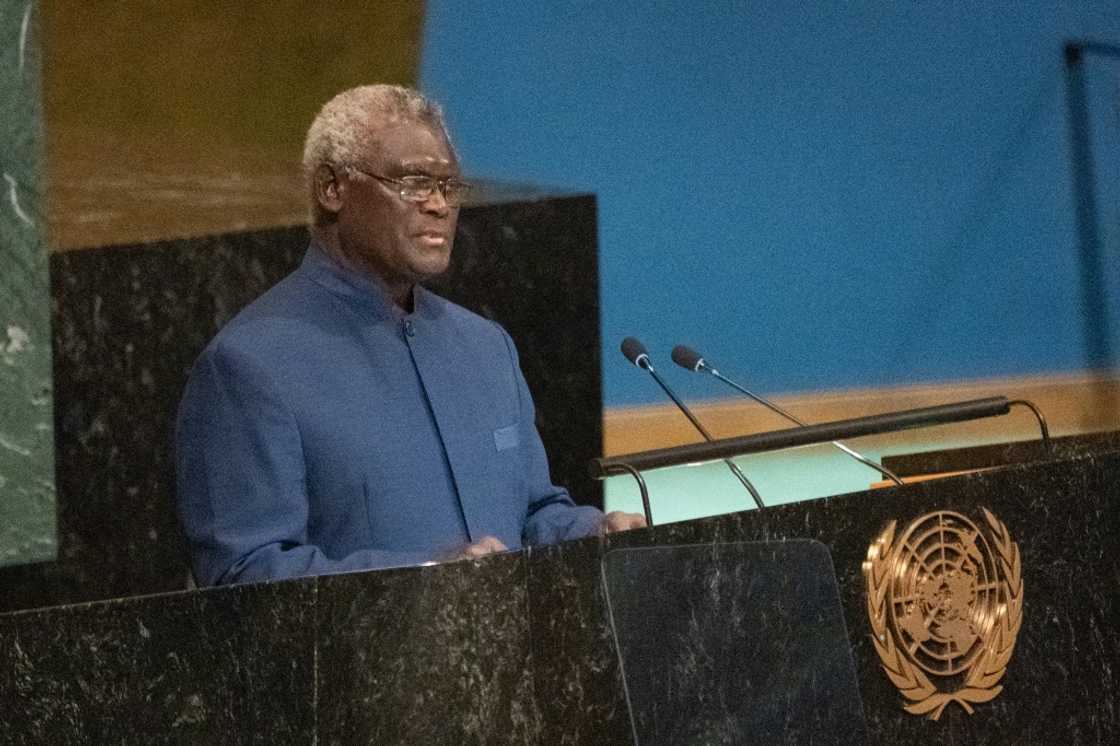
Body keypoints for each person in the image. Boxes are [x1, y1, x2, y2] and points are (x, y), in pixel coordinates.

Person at [176, 84, 645, 586]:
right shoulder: (249, 367)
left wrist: (591, 532)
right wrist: (427, 579)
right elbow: (245, 573)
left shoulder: (486, 346)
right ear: (332, 188)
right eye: (414, 183)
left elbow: (534, 511)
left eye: (449, 186)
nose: (439, 205)